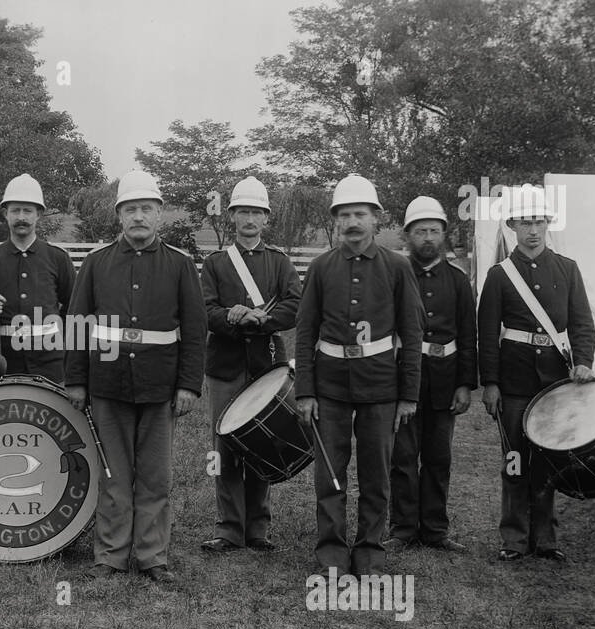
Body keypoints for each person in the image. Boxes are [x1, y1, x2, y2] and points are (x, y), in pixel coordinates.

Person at [65, 169, 207, 583]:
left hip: (159, 385)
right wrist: (76, 380)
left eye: (147, 208)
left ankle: (152, 556)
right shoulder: (96, 263)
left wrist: (187, 385)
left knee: (155, 476)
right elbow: (77, 323)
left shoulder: (180, 266)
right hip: (107, 384)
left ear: (159, 214)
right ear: (119, 216)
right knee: (113, 472)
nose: (139, 216)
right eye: (131, 209)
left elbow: (196, 331)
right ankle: (109, 555)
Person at [294, 175, 422, 576]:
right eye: (345, 214)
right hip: (330, 386)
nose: (353, 222)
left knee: (376, 472)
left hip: (381, 386)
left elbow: (412, 334)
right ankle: (331, 551)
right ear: (336, 220)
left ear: (376, 218)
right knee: (330, 471)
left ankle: (369, 550)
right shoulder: (320, 268)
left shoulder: (397, 268)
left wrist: (408, 395)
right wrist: (305, 391)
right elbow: (305, 332)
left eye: (360, 214)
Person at [478, 184, 595, 563]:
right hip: (513, 381)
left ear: (548, 224)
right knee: (515, 460)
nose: (532, 230)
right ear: (512, 225)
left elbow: (581, 325)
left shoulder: (568, 269)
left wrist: (583, 361)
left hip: (555, 382)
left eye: (539, 221)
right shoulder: (499, 276)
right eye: (524, 222)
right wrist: (491, 383)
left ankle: (545, 539)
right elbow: (486, 334)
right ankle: (513, 537)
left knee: (548, 459)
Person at [199, 177, 302, 554]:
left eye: (257, 212)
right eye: (243, 211)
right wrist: (231, 316)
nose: (250, 218)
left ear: (266, 219)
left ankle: (257, 527)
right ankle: (228, 527)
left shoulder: (279, 261)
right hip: (225, 363)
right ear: (232, 216)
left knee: (262, 442)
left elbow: (296, 305)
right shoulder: (215, 263)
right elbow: (204, 310)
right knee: (223, 446)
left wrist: (264, 320)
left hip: (264, 362)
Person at [387, 196, 477, 555]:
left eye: (434, 231)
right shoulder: (395, 273)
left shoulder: (457, 280)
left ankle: (436, 529)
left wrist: (465, 384)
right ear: (408, 234)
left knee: (439, 458)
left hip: (444, 379)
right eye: (420, 231)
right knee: (403, 457)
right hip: (403, 378)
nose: (427, 237)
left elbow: (468, 336)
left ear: (444, 234)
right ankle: (403, 528)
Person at [0, 173, 75, 384]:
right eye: (15, 210)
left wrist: (56, 333)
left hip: (49, 362)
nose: (21, 217)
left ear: (39, 215)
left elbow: (74, 306)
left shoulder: (58, 258)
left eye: (28, 211)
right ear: (5, 214)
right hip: (2, 360)